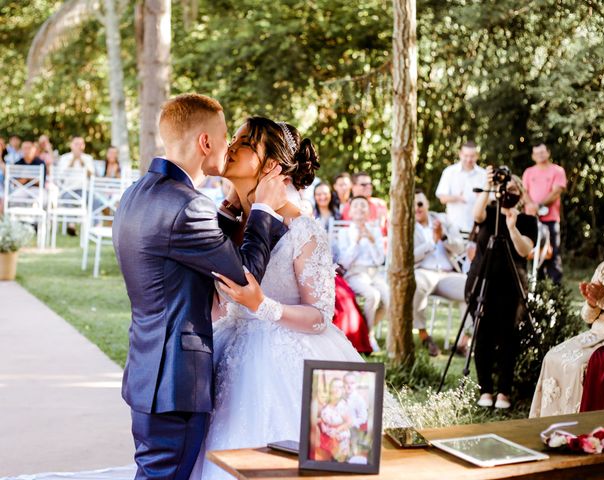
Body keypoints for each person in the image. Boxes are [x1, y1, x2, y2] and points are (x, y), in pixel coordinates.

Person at [188, 117, 407, 480]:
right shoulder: (228, 220)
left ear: (271, 166)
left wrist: (263, 306)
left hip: (288, 357)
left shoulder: (302, 229)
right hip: (231, 350)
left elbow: (322, 314)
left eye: (245, 142)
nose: (232, 146)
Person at [112, 94, 288, 480]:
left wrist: (227, 211)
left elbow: (187, 252)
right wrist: (262, 211)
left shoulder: (137, 194)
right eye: (226, 137)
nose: (229, 148)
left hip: (148, 372)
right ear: (205, 143)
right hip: (175, 384)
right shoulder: (188, 205)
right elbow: (242, 276)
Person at [530, 212, 604, 418]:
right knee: (552, 356)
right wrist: (591, 301)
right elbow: (588, 318)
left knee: (577, 365)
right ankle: (548, 423)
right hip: (595, 334)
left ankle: (576, 425)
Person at [467, 167, 537, 410]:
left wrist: (512, 226)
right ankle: (485, 389)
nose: (508, 193)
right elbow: (476, 216)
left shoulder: (527, 220)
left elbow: (524, 250)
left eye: (513, 189)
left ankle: (504, 391)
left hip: (510, 285)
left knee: (508, 337)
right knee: (482, 335)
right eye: (504, 189)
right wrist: (488, 187)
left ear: (521, 194)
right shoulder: (487, 211)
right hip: (482, 280)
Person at [413, 189, 466, 357]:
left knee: (474, 287)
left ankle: (464, 341)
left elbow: (460, 247)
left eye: (420, 203)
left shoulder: (443, 220)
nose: (417, 208)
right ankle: (423, 334)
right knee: (415, 283)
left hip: (448, 274)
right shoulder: (405, 225)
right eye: (412, 204)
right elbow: (408, 257)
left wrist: (443, 236)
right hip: (423, 271)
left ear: (427, 204)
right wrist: (432, 242)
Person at [337, 196, 389, 350]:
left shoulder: (375, 231)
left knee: (388, 299)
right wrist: (357, 241)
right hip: (355, 274)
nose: (360, 208)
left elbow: (380, 260)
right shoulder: (344, 233)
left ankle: (365, 329)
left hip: (375, 273)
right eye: (356, 206)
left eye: (363, 206)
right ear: (350, 212)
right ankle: (370, 335)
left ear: (369, 211)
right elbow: (344, 262)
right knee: (373, 296)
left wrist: (372, 240)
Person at [522, 142, 567, 284]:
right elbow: (523, 192)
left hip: (551, 220)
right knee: (533, 254)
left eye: (542, 152)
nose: (540, 155)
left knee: (552, 254)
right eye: (537, 153)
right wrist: (531, 206)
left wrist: (539, 205)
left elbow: (556, 192)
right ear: (533, 156)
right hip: (532, 220)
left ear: (548, 153)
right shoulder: (528, 172)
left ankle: (555, 290)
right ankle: (537, 288)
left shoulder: (557, 171)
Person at [435, 141, 486, 233]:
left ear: (477, 156)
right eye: (466, 156)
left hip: (477, 229)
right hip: (454, 229)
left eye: (472, 156)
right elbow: (442, 198)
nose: (469, 159)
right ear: (460, 154)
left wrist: (482, 198)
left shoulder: (483, 174)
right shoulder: (449, 172)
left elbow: (490, 201)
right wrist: (458, 198)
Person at [317, 378, 352, 462]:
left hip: (339, 441)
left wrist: (336, 431)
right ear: (330, 388)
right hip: (326, 440)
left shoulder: (342, 405)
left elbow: (349, 422)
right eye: (334, 387)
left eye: (340, 387)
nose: (337, 390)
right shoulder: (325, 404)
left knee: (338, 463)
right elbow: (323, 418)